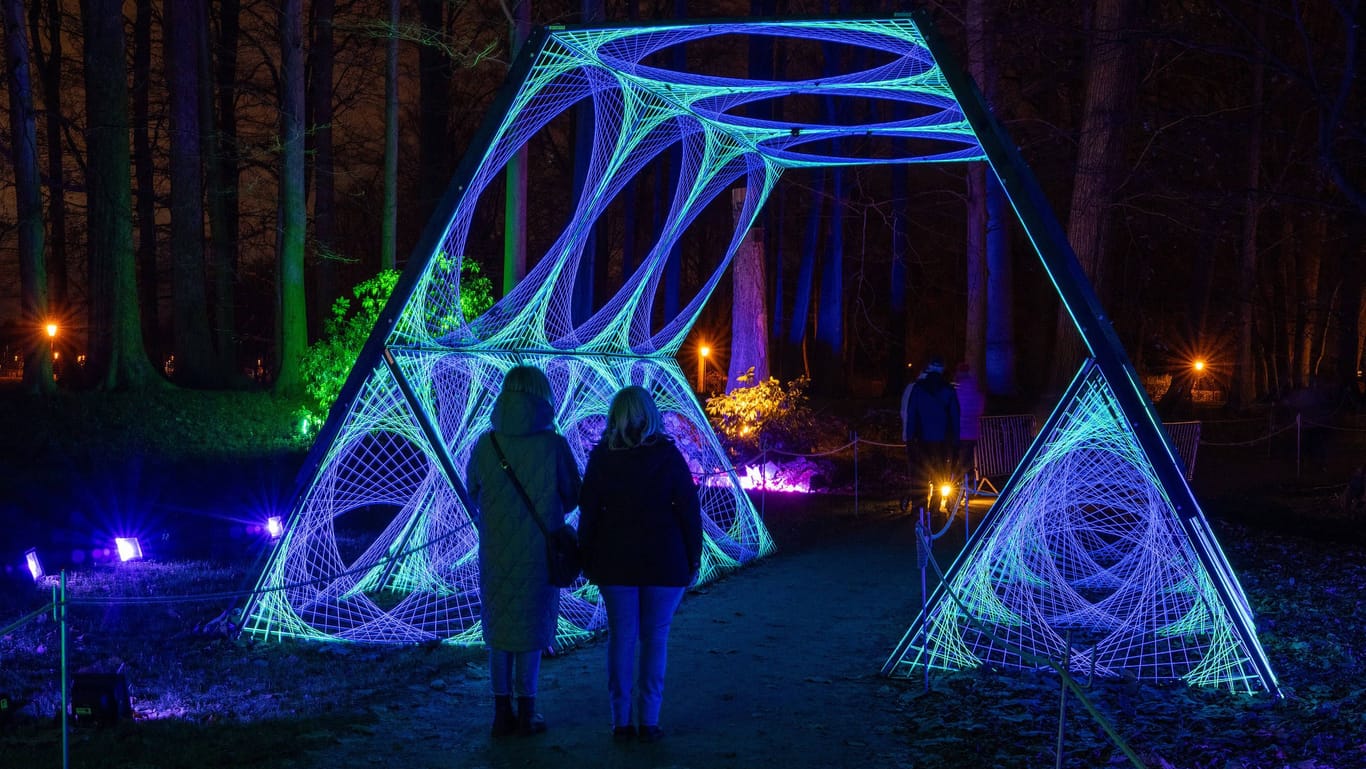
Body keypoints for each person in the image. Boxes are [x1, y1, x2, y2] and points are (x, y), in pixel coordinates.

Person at [578, 385, 703, 744]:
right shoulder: (668, 456)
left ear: (615, 416)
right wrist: (692, 557)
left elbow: (589, 513)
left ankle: (620, 721)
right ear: (651, 415)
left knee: (621, 638)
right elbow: (689, 513)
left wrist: (586, 555)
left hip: (615, 562)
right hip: (666, 562)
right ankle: (648, 720)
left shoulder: (602, 457)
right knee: (655, 639)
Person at [465, 365, 582, 738]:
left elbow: (473, 491)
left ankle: (501, 715)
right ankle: (528, 712)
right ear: (541, 395)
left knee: (500, 632)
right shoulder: (554, 444)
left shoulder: (487, 443)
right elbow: (572, 495)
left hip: (495, 552)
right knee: (531, 631)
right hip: (538, 552)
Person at [901, 356, 961, 513]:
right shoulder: (948, 390)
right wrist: (955, 440)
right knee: (939, 475)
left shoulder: (918, 389)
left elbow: (912, 414)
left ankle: (919, 508)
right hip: (943, 441)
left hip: (922, 439)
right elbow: (955, 417)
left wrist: (909, 438)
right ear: (942, 370)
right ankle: (934, 509)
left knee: (921, 474)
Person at [953, 362, 986, 486]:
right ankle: (967, 489)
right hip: (972, 432)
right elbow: (980, 409)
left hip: (958, 432)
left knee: (955, 462)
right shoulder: (976, 390)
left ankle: (956, 490)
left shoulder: (957, 390)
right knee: (967, 462)